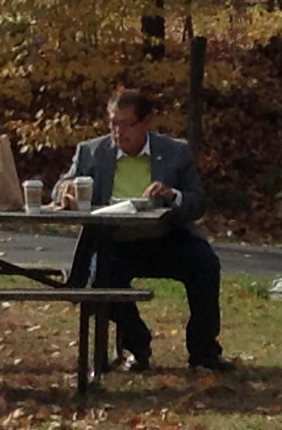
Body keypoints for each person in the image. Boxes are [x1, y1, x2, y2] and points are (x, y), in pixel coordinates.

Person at [55, 88, 232, 373]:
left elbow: (198, 201)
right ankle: (136, 343)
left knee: (205, 263)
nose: (118, 132)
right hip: (115, 241)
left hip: (166, 237)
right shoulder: (91, 152)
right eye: (113, 123)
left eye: (127, 124)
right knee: (101, 278)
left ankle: (203, 351)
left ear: (145, 123)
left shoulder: (175, 152)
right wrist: (66, 190)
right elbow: (59, 188)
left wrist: (172, 194)